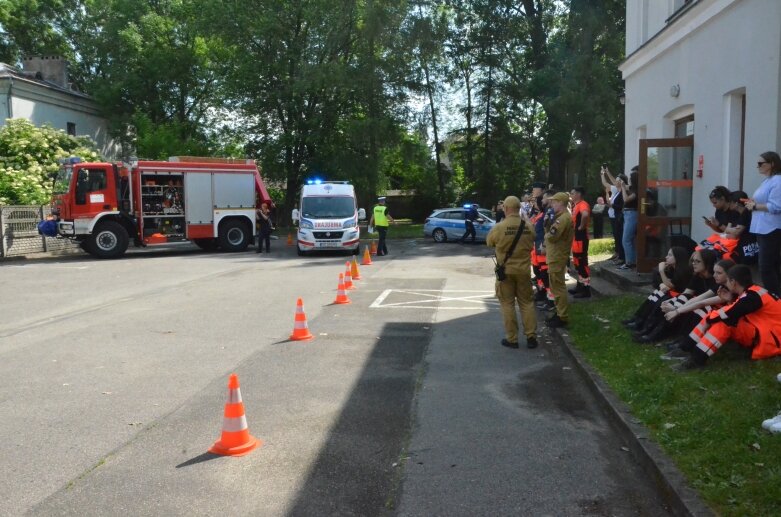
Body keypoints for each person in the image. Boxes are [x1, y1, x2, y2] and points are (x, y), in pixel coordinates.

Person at [672, 265, 781, 371]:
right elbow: (736, 311)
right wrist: (728, 301)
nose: (726, 284)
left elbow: (730, 313)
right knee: (718, 317)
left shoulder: (752, 297)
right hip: (769, 334)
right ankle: (687, 349)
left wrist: (709, 320)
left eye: (728, 281)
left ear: (733, 282)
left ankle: (695, 358)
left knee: (723, 323)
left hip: (773, 340)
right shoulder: (753, 292)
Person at [486, 195, 538, 349]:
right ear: (518, 208)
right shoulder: (528, 226)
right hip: (523, 271)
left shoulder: (500, 227)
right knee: (527, 303)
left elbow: (489, 242)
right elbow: (533, 239)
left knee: (507, 304)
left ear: (506, 208)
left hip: (506, 272)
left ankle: (512, 338)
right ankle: (531, 336)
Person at [745, 151, 781, 294]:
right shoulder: (768, 180)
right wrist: (752, 203)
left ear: (771, 164)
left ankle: (774, 297)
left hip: (771, 228)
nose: (758, 166)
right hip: (763, 227)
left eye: (761, 163)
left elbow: (776, 206)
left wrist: (755, 206)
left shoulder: (778, 181)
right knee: (772, 265)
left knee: (766, 267)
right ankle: (776, 297)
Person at [543, 192, 574, 328]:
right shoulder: (560, 217)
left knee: (558, 286)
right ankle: (559, 312)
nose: (552, 204)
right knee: (555, 286)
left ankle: (562, 316)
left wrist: (546, 232)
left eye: (555, 202)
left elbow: (552, 236)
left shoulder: (563, 219)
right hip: (555, 255)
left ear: (561, 203)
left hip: (557, 255)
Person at [568, 186, 592, 298]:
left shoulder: (583, 204)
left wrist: (581, 226)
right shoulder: (576, 205)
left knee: (582, 264)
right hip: (576, 239)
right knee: (577, 263)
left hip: (581, 239)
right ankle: (580, 286)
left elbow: (585, 214)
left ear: (578, 194)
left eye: (572, 193)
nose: (571, 196)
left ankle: (586, 290)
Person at [601, 167, 626, 265]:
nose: (616, 181)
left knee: (619, 236)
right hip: (614, 215)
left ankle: (622, 257)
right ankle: (618, 254)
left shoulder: (621, 190)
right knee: (616, 235)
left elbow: (620, 205)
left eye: (618, 180)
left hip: (618, 216)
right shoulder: (618, 191)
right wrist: (604, 173)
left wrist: (612, 205)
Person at [618, 168, 639, 270]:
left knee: (626, 239)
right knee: (629, 239)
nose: (629, 179)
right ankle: (632, 261)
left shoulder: (636, 191)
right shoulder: (632, 188)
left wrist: (622, 188)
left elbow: (626, 199)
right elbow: (619, 185)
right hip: (628, 214)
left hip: (632, 214)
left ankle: (630, 263)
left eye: (631, 177)